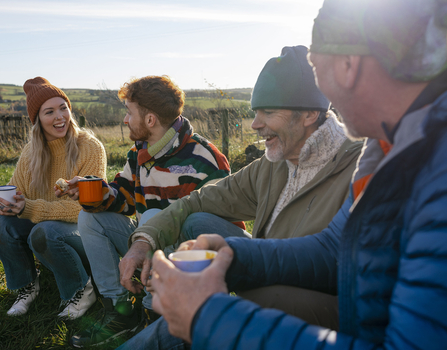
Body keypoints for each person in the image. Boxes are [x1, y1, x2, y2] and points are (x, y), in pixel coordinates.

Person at [145, 0, 447, 348]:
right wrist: (233, 254)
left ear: (348, 65)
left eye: (317, 67)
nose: (322, 93)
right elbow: (335, 247)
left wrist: (208, 317)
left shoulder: (432, 168)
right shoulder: (383, 149)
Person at [117, 46, 363, 349]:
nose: (255, 124)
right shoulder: (274, 165)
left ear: (310, 114)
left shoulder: (361, 170)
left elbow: (347, 271)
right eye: (255, 112)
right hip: (266, 274)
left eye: (268, 112)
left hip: (329, 316)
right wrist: (145, 240)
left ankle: (207, 317)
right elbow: (198, 200)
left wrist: (215, 290)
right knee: (198, 221)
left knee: (205, 313)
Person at [64, 75, 243, 348]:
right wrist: (96, 194)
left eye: (129, 112)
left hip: (187, 262)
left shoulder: (205, 158)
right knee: (89, 217)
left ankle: (156, 310)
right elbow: (122, 199)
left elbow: (221, 229)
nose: (125, 120)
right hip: (143, 243)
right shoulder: (138, 154)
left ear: (150, 120)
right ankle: (120, 311)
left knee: (152, 216)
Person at [0, 77, 107, 320]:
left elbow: (85, 208)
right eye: (49, 111)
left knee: (44, 231)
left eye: (63, 108)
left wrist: (29, 208)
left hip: (83, 234)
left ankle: (81, 289)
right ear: (37, 120)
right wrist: (2, 202)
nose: (60, 116)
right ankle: (27, 286)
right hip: (44, 228)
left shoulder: (90, 147)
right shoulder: (31, 151)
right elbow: (16, 189)